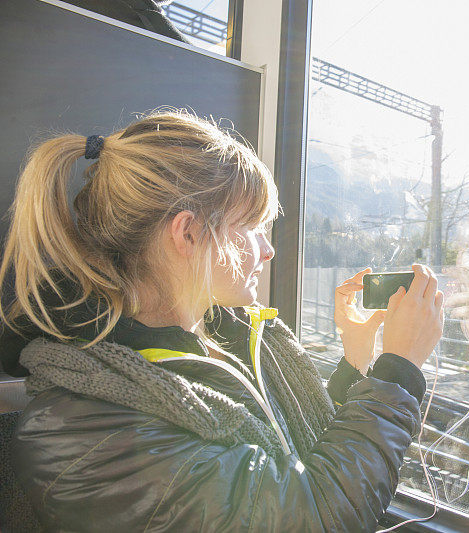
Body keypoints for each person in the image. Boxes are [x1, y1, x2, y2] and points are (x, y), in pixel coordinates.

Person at [0, 110, 444, 531]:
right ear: (188, 233)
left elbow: (296, 455)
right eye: (253, 227)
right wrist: (398, 374)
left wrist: (357, 360)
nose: (268, 252)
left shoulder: (237, 334)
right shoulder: (82, 429)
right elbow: (306, 515)